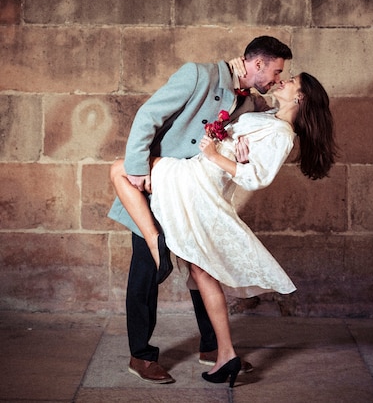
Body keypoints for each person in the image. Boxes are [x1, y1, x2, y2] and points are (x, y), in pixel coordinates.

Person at [111, 72, 337, 387]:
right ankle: (223, 353)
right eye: (282, 76)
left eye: (290, 82)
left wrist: (217, 155)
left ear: (301, 98)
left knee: (119, 169)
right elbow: (247, 162)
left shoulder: (284, 134)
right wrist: (236, 152)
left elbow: (257, 178)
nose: (281, 81)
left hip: (197, 182)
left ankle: (155, 240)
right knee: (202, 274)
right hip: (199, 179)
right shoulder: (269, 118)